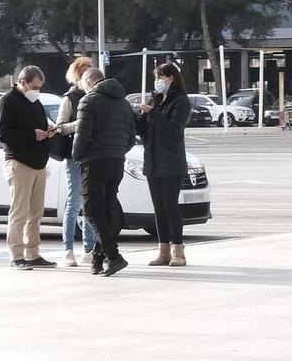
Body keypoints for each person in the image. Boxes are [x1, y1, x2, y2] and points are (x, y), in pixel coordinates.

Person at [73, 64, 133, 277]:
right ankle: (98, 260)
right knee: (107, 211)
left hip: (93, 161)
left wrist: (77, 155)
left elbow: (82, 134)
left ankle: (113, 256)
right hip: (116, 161)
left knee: (91, 211)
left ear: (89, 82)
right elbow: (131, 136)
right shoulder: (123, 102)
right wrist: (118, 150)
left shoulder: (88, 101)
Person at [0, 64, 57, 269]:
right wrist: (33, 134)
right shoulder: (7, 101)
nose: (37, 91)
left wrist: (48, 131)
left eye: (39, 87)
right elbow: (2, 134)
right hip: (19, 162)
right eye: (35, 86)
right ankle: (16, 255)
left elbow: (38, 126)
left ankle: (32, 253)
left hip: (38, 163)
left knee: (36, 212)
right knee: (19, 211)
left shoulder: (35, 103)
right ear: (22, 82)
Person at [136, 61, 192, 265]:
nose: (157, 81)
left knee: (170, 206)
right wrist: (140, 118)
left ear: (171, 78)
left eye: (161, 77)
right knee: (158, 208)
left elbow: (172, 131)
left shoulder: (181, 102)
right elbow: (147, 131)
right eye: (156, 77)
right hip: (153, 162)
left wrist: (153, 113)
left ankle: (178, 251)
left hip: (171, 162)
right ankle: (163, 250)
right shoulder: (156, 99)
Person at [55, 54, 95, 265]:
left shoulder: (96, 96)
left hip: (92, 154)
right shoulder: (69, 98)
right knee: (74, 200)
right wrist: (82, 123)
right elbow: (60, 127)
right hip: (74, 155)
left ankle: (89, 248)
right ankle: (68, 249)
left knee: (89, 202)